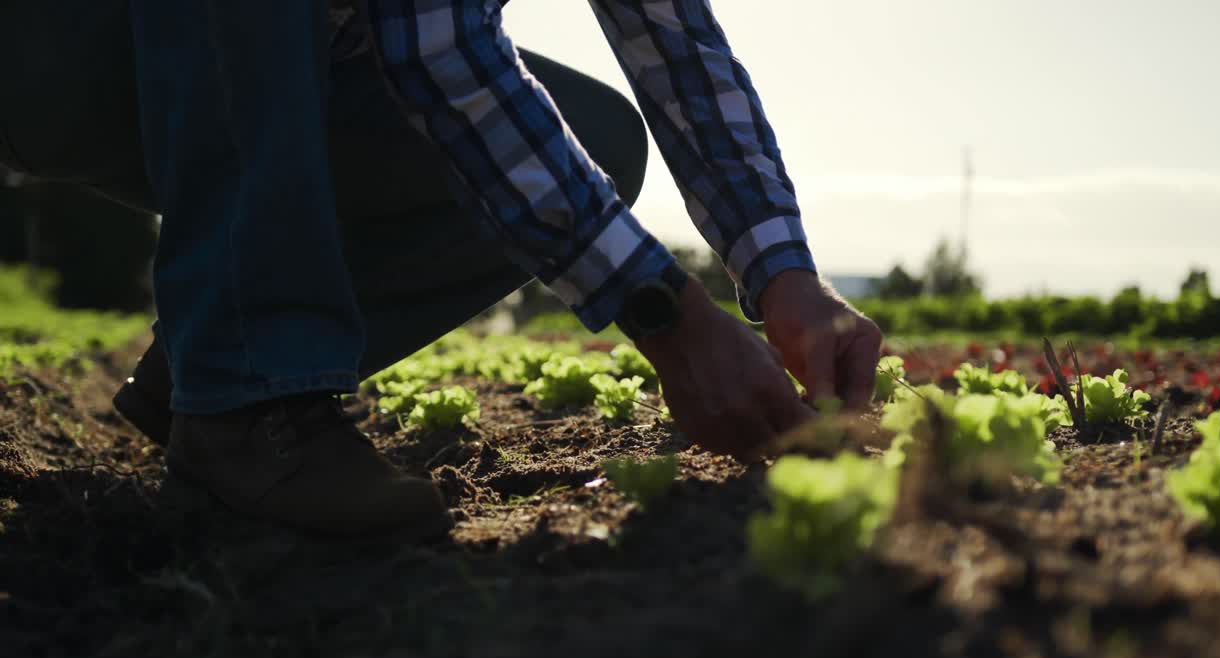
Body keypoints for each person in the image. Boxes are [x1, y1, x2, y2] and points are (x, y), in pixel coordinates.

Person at [0, 1, 883, 538]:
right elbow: (441, 48)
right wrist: (669, 318)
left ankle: (212, 355)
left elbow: (680, 48)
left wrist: (784, 274)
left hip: (271, 67)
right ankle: (249, 395)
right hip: (62, 48)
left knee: (596, 141)